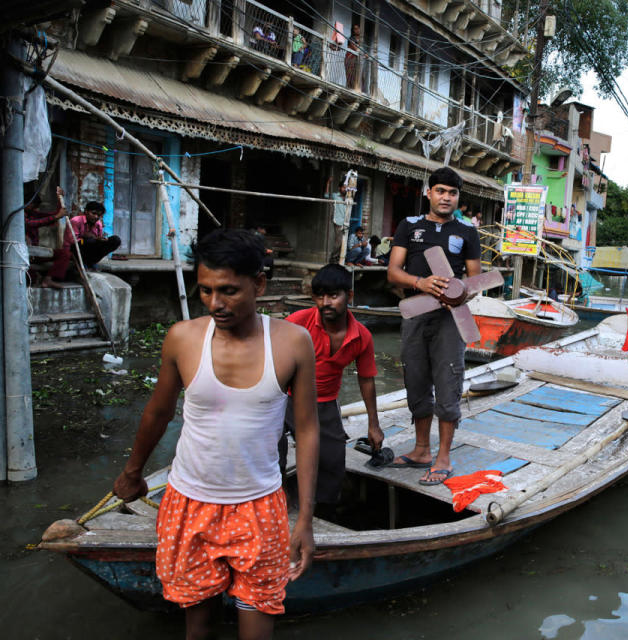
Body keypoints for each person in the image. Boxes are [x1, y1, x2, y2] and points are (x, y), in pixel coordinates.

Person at [112, 229, 320, 638]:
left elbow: (309, 431)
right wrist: (133, 471)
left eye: (228, 290)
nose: (215, 304)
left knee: (257, 623)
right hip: (188, 504)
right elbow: (158, 412)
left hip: (260, 507)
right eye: (205, 291)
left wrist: (306, 520)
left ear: (258, 284)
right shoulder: (183, 338)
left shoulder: (293, 342)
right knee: (197, 626)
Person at [387, 167, 481, 485]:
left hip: (450, 318)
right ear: (429, 193)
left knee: (448, 381)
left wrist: (458, 293)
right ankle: (421, 450)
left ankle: (443, 457)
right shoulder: (409, 226)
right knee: (415, 378)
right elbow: (393, 272)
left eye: (452, 193)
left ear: (458, 198)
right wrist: (422, 283)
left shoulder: (467, 231)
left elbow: (475, 280)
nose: (446, 197)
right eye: (440, 191)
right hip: (415, 311)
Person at [282, 264, 381, 518]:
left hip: (325, 403)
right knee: (270, 448)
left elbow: (367, 380)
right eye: (319, 296)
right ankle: (277, 497)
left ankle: (323, 511)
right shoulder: (297, 323)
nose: (325, 303)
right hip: (286, 398)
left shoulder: (362, 337)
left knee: (333, 460)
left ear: (349, 296)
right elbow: (271, 361)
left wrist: (373, 425)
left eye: (333, 296)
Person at [25, 186, 70, 289]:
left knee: (65, 254)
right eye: (33, 205)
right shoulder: (19, 215)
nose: (35, 208)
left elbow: (54, 215)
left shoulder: (33, 213)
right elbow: (31, 224)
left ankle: (49, 279)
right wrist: (56, 216)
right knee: (31, 277)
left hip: (35, 253)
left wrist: (60, 199)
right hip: (23, 255)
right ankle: (38, 278)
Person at [66, 201, 121, 268]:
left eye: (98, 215)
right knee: (89, 241)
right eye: (93, 213)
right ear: (86, 211)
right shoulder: (76, 221)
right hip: (75, 247)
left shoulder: (98, 224)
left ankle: (92, 261)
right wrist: (87, 238)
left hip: (90, 246)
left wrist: (101, 239)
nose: (96, 217)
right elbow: (73, 241)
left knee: (115, 240)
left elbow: (98, 239)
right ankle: (83, 261)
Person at [325, 177, 349, 262]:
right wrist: (328, 184)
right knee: (338, 242)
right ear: (339, 188)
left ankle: (337, 258)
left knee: (344, 242)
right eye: (343, 187)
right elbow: (326, 196)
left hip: (345, 222)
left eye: (346, 187)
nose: (345, 189)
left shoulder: (348, 197)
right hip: (338, 221)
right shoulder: (335, 195)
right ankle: (333, 258)